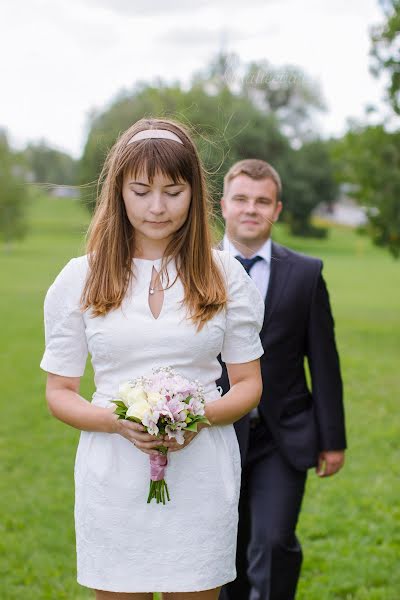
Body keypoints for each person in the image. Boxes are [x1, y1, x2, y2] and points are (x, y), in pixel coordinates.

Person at [39, 120, 266, 600]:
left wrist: (197, 418)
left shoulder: (224, 273)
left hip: (202, 472)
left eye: (173, 191)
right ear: (119, 192)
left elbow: (247, 383)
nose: (157, 207)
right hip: (113, 474)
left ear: (194, 193)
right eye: (141, 191)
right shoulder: (80, 278)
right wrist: (115, 422)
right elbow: (59, 393)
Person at [217, 159, 347, 600]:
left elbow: (324, 361)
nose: (251, 209)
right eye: (241, 199)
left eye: (262, 201)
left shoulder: (306, 274)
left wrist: (333, 439)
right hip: (213, 434)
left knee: (273, 543)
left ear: (277, 208)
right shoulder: (196, 268)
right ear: (224, 206)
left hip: (282, 435)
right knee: (223, 551)